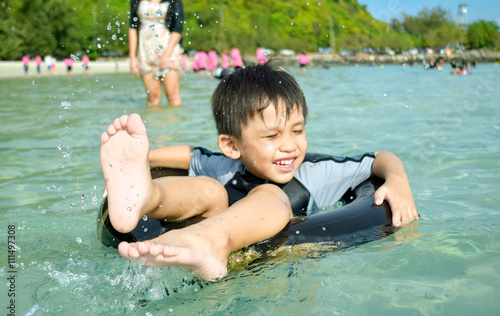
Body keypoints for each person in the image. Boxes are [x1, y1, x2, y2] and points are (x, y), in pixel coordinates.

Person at [100, 64, 419, 280]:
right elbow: (188, 155)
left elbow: (378, 158)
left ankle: (212, 241)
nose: (290, 146)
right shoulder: (225, 165)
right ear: (232, 145)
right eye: (272, 136)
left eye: (298, 131)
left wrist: (397, 179)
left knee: (270, 195)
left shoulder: (316, 174)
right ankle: (144, 197)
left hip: (239, 245)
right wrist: (141, 161)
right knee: (208, 189)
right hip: (198, 230)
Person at [129, 0, 184, 106]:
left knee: (172, 95)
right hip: (145, 53)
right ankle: (152, 122)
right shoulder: (136, 1)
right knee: (153, 97)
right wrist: (132, 57)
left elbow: (177, 29)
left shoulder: (174, 1)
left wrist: (167, 54)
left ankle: (175, 122)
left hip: (168, 51)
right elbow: (132, 28)